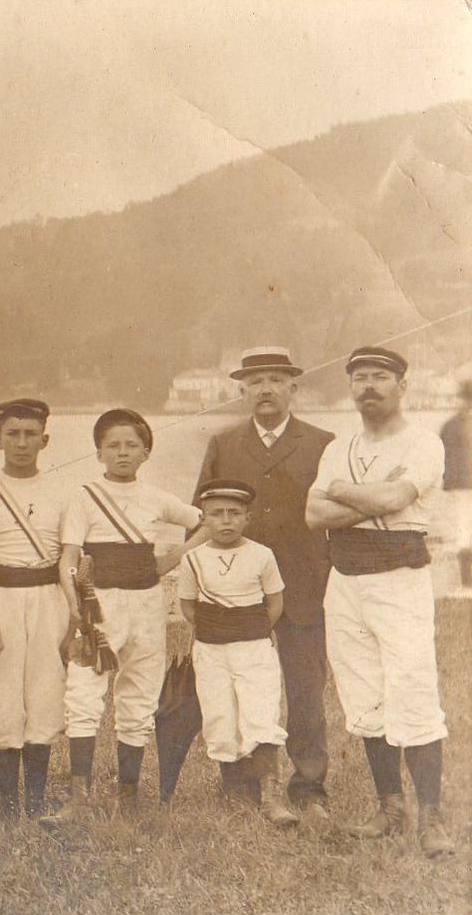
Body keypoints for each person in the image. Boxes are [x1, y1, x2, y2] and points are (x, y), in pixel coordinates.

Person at [306, 346, 452, 858]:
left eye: (380, 377)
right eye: (359, 378)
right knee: (364, 696)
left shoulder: (423, 443)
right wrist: (364, 492)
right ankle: (390, 807)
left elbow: (396, 501)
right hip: (344, 582)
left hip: (398, 579)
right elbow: (312, 514)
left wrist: (343, 493)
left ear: (402, 385)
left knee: (412, 690)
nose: (368, 386)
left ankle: (431, 818)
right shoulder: (337, 448)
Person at [44, 408, 209, 824]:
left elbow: (205, 523)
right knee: (83, 694)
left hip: (148, 605)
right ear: (98, 453)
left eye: (131, 445)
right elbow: (68, 558)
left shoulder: (156, 498)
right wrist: (77, 607)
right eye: (112, 446)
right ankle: (79, 796)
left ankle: (128, 794)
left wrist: (173, 557)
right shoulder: (83, 497)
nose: (122, 453)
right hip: (99, 605)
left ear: (146, 452)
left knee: (139, 695)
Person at [191, 347, 334, 812]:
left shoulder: (322, 441)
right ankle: (240, 785)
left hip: (303, 587)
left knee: (305, 688)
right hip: (236, 594)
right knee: (234, 685)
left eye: (276, 379)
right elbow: (200, 518)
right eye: (255, 381)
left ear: (294, 386)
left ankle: (308, 787)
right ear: (242, 390)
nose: (266, 388)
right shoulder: (223, 444)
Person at [176, 480, 298, 828]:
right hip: (211, 650)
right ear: (204, 520)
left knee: (260, 714)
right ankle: (235, 791)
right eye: (216, 514)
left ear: (247, 517)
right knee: (219, 716)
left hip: (253, 646)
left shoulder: (261, 554)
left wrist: (248, 627)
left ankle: (270, 796)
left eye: (234, 513)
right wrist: (217, 626)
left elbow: (274, 602)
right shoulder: (194, 558)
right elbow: (187, 605)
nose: (226, 521)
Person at [0, 399, 69, 820]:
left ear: (45, 440)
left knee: (45, 692)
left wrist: (76, 620)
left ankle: (36, 800)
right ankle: (8, 804)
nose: (22, 443)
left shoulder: (62, 492)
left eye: (31, 434)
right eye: (13, 434)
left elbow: (69, 558)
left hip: (48, 598)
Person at [441, 376, 472, 594]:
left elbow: (444, 458)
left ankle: (467, 584)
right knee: (464, 534)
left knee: (464, 534)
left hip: (461, 488)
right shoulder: (452, 425)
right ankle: (467, 583)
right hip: (462, 487)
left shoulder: (451, 424)